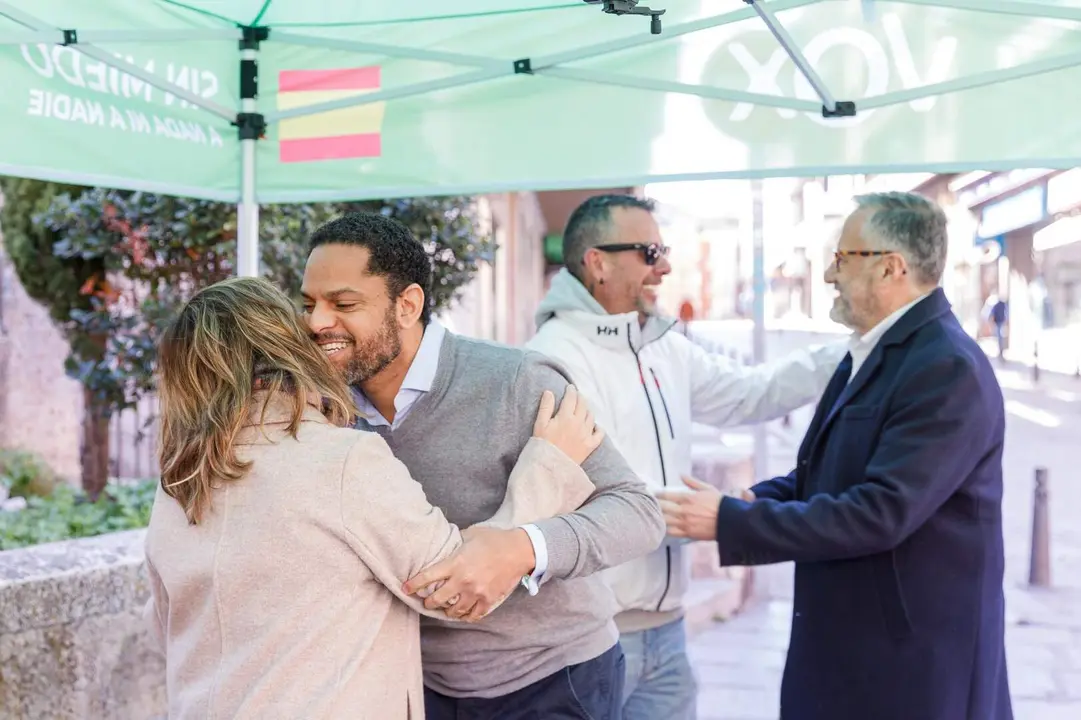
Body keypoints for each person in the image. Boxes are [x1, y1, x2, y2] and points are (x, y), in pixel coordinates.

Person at [143, 276, 604, 719]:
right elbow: (456, 586)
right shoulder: (339, 461)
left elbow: (164, 629)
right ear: (288, 347)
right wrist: (548, 469)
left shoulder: (178, 482)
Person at [657, 192, 1012, 720]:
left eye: (843, 258)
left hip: (909, 671)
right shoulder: (875, 350)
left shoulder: (946, 367)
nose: (828, 274)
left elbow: (880, 511)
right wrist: (754, 498)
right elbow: (825, 473)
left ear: (892, 267)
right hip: (855, 653)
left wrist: (734, 521)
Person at [300, 212, 666, 719]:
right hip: (418, 686)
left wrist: (524, 548)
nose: (317, 322)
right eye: (309, 303)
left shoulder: (516, 379)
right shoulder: (320, 410)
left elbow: (637, 512)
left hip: (554, 679)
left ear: (407, 306)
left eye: (343, 304)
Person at [523, 193, 846, 719]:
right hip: (588, 642)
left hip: (668, 635)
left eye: (664, 249)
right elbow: (586, 494)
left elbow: (750, 393)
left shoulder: (661, 344)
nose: (666, 266)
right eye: (650, 252)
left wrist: (856, 348)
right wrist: (717, 515)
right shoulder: (552, 358)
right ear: (598, 262)